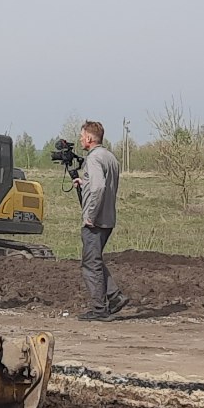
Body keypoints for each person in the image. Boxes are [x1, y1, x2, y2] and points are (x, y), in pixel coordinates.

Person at [73, 120, 126, 319]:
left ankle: (99, 309)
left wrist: (90, 216)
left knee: (90, 264)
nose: (80, 139)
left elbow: (98, 187)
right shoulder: (109, 157)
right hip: (108, 218)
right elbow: (100, 183)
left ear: (88, 138)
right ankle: (114, 296)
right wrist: (83, 181)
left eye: (81, 136)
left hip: (95, 221)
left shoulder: (94, 158)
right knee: (94, 260)